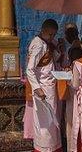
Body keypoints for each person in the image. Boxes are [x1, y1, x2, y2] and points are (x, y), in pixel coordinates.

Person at [24, 19, 62, 152]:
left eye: (54, 35)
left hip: (50, 86)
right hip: (43, 89)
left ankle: (53, 148)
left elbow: (50, 62)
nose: (52, 37)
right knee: (45, 122)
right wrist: (37, 88)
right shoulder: (38, 45)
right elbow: (30, 69)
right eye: (50, 34)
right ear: (43, 31)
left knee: (52, 121)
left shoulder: (47, 44)